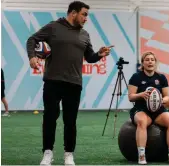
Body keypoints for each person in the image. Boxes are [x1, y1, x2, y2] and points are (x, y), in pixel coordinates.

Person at [26, 1, 113, 165]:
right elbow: (32, 39)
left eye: (87, 15)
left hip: (74, 83)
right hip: (52, 81)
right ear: (73, 13)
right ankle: (47, 153)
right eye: (84, 14)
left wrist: (100, 54)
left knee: (70, 120)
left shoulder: (85, 35)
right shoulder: (53, 27)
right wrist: (32, 56)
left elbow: (89, 57)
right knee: (50, 118)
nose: (86, 18)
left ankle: (69, 154)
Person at [128, 51, 169, 165]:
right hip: (141, 109)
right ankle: (141, 155)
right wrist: (140, 95)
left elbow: (167, 96)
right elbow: (131, 97)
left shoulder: (161, 77)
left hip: (158, 110)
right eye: (147, 60)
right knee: (142, 122)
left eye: (152, 59)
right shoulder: (136, 77)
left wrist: (162, 100)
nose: (150, 62)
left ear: (155, 62)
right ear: (143, 63)